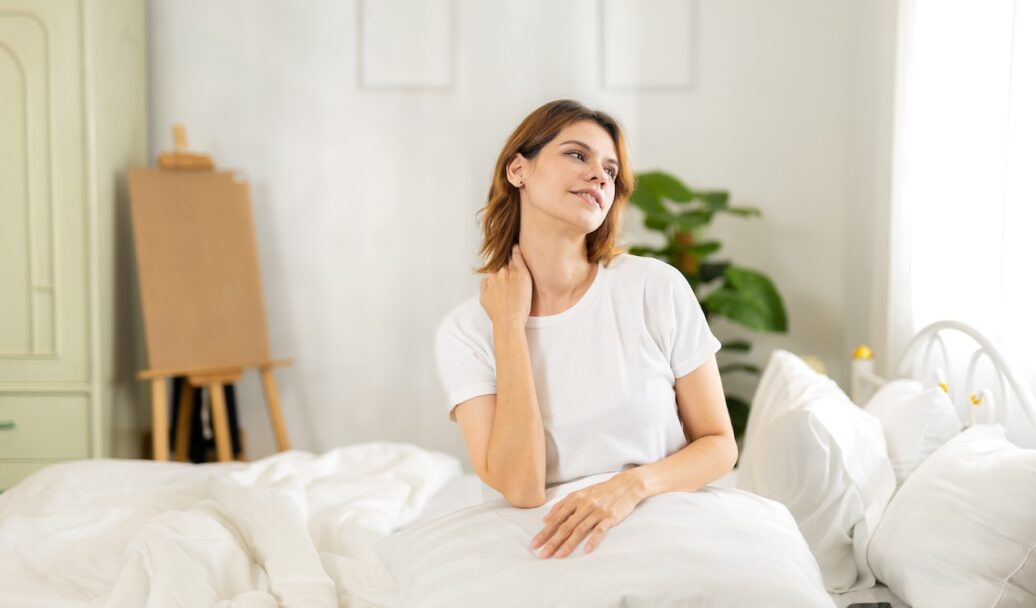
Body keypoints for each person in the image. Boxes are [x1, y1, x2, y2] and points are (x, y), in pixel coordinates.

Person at [434, 99, 737, 561]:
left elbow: (719, 446)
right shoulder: (467, 331)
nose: (600, 175)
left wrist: (629, 487)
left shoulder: (653, 287)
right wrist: (510, 329)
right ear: (519, 169)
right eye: (578, 155)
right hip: (548, 546)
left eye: (611, 171)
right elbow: (522, 487)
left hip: (667, 526)